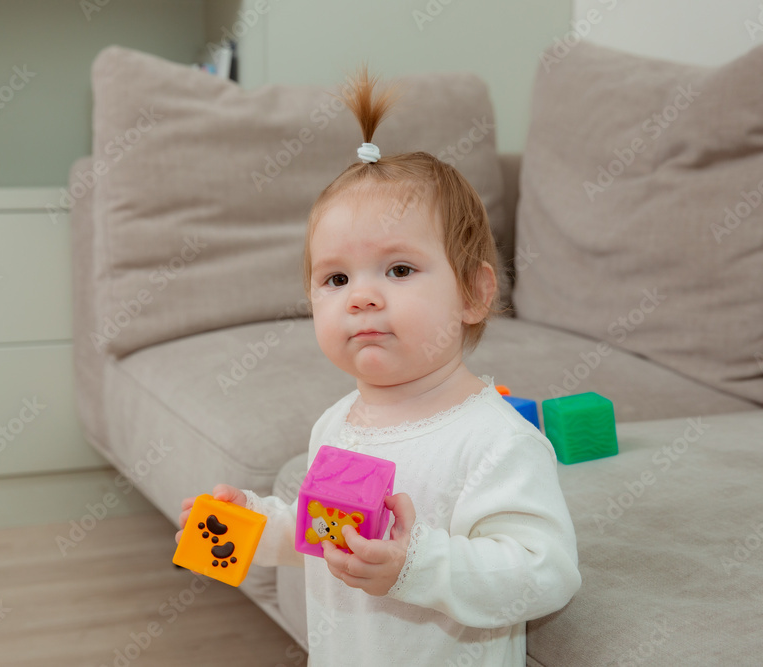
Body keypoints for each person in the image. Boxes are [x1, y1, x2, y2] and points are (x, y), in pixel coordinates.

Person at [176, 66, 581, 666]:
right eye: (336, 278)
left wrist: (414, 564)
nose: (360, 297)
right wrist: (254, 526)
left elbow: (543, 573)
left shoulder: (496, 440)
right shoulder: (337, 423)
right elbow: (326, 538)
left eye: (398, 269)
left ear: (473, 295)